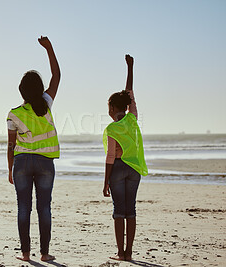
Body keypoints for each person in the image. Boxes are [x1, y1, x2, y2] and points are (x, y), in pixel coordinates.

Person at [7, 36, 60, 262]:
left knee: (23, 208)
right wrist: (49, 49)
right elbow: (56, 76)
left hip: (22, 163)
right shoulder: (46, 103)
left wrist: (10, 168)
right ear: (39, 89)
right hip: (45, 162)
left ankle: (26, 254)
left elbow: (10, 144)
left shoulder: (14, 113)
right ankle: (45, 253)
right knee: (44, 207)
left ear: (21, 91)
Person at [102, 54, 148, 261]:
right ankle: (129, 252)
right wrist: (130, 68)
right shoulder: (133, 118)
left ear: (112, 108)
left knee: (118, 211)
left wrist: (105, 182)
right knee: (131, 210)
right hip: (134, 169)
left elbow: (110, 157)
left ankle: (120, 253)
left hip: (118, 169)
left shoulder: (112, 128)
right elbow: (130, 93)